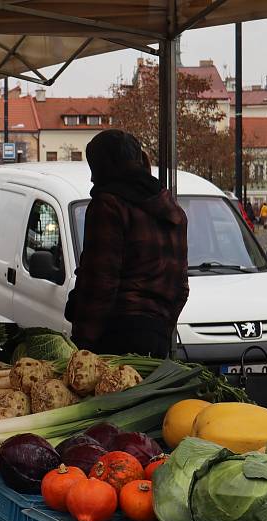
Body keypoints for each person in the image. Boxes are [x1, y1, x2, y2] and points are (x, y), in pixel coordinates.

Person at [64, 129, 189, 357]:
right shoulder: (173, 211)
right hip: (157, 338)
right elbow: (181, 288)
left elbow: (100, 282)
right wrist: (159, 328)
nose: (92, 178)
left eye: (94, 168)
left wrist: (83, 343)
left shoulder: (108, 206)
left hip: (114, 337)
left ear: (106, 166)